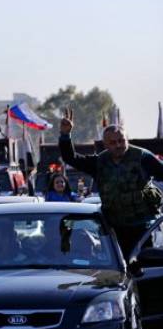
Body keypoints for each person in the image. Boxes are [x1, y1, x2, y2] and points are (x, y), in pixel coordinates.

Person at [59, 108, 163, 256]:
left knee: (145, 265)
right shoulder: (99, 162)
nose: (118, 145)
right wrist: (65, 135)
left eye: (121, 141)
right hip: (114, 228)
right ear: (105, 144)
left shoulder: (143, 157)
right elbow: (71, 158)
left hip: (143, 227)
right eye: (113, 142)